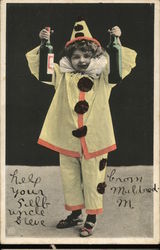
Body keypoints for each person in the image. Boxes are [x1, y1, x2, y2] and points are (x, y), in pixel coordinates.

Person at [26, 19, 137, 237]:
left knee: (94, 179)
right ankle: (75, 213)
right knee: (70, 178)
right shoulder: (63, 76)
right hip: (68, 139)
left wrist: (117, 39)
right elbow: (44, 71)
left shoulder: (104, 77)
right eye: (76, 56)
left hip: (96, 139)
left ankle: (91, 217)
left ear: (95, 57)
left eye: (87, 56)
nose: (82, 61)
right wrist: (43, 42)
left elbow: (119, 65)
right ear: (69, 59)